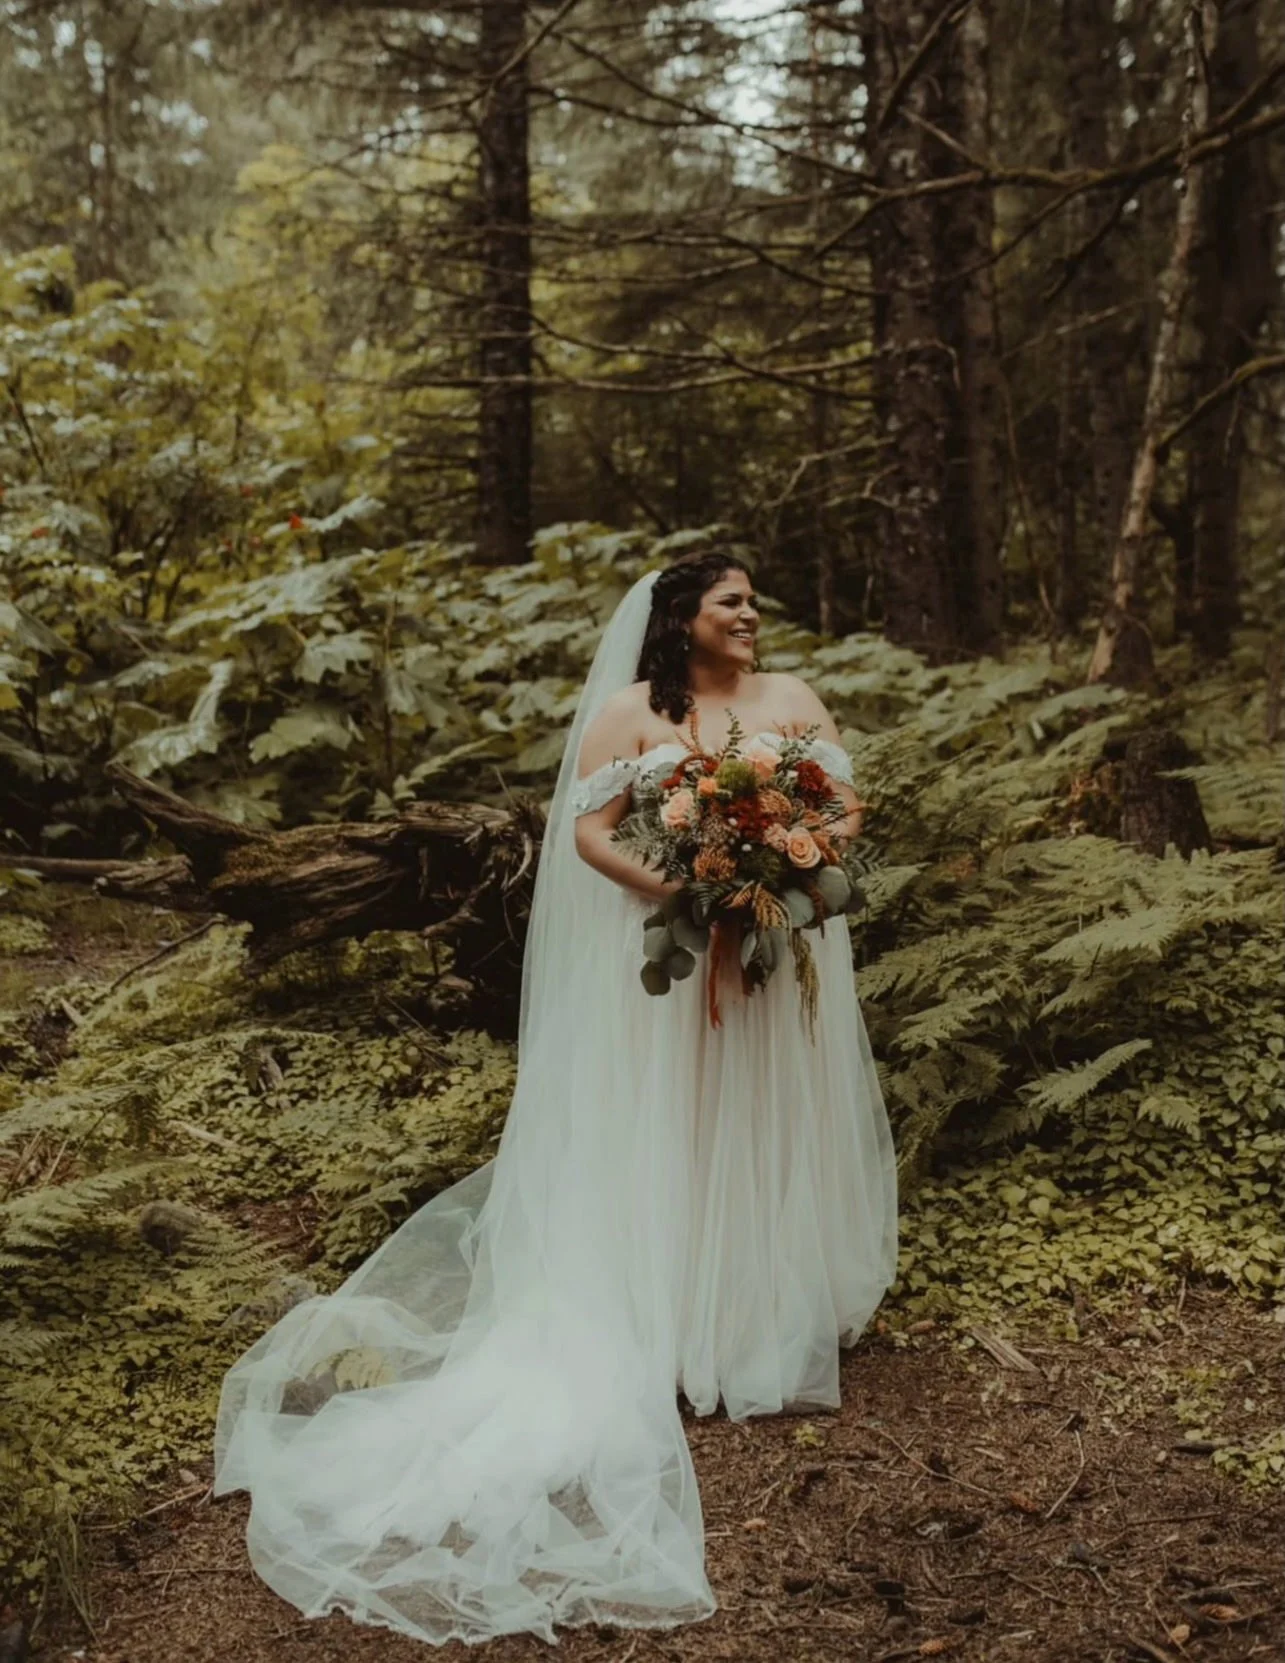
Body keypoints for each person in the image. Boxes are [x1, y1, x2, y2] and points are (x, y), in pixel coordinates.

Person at [213, 552, 899, 1647]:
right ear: (682, 620)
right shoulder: (629, 713)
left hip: (770, 945)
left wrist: (782, 866)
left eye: (755, 602)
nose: (753, 615)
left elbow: (847, 809)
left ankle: (755, 1317)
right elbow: (587, 834)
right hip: (666, 973)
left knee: (761, 1120)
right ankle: (667, 1322)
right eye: (733, 602)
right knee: (675, 1126)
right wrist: (689, 887)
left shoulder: (793, 703)